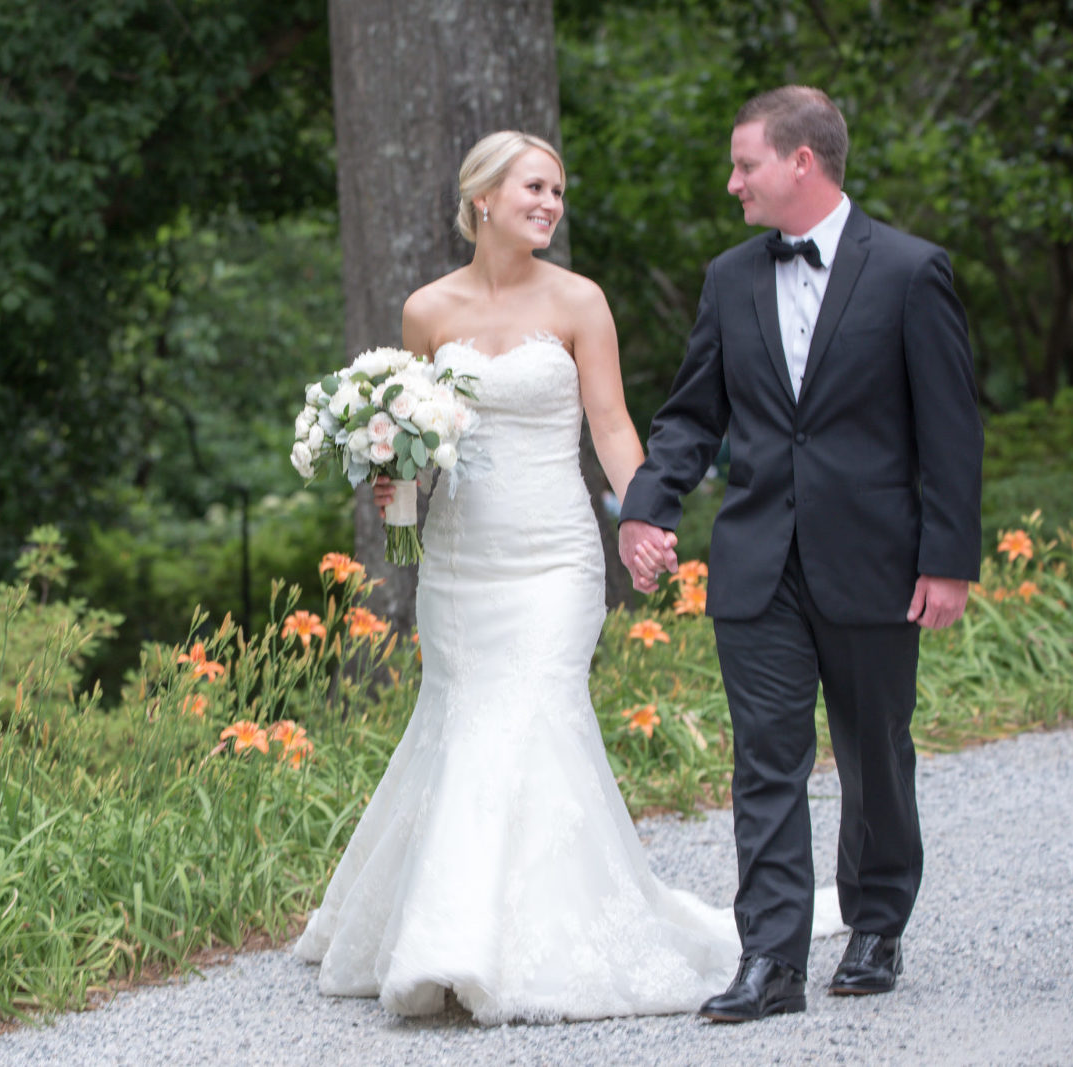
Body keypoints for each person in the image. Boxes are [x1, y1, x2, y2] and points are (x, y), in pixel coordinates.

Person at [293, 130, 838, 1024]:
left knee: (531, 716)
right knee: (462, 724)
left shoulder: (581, 301)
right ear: (482, 200)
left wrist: (645, 516)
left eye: (557, 191)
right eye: (534, 188)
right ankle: (449, 929)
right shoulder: (427, 310)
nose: (550, 204)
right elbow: (423, 445)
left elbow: (614, 426)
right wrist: (393, 477)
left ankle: (489, 944)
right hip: (461, 565)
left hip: (554, 559)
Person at [618, 86, 983, 1023]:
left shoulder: (910, 270)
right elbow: (693, 413)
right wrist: (645, 509)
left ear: (801, 162)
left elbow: (950, 429)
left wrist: (948, 560)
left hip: (875, 560)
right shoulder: (729, 278)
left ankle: (875, 921)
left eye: (746, 164)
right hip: (758, 561)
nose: (733, 181)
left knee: (874, 753)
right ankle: (773, 958)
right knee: (765, 760)